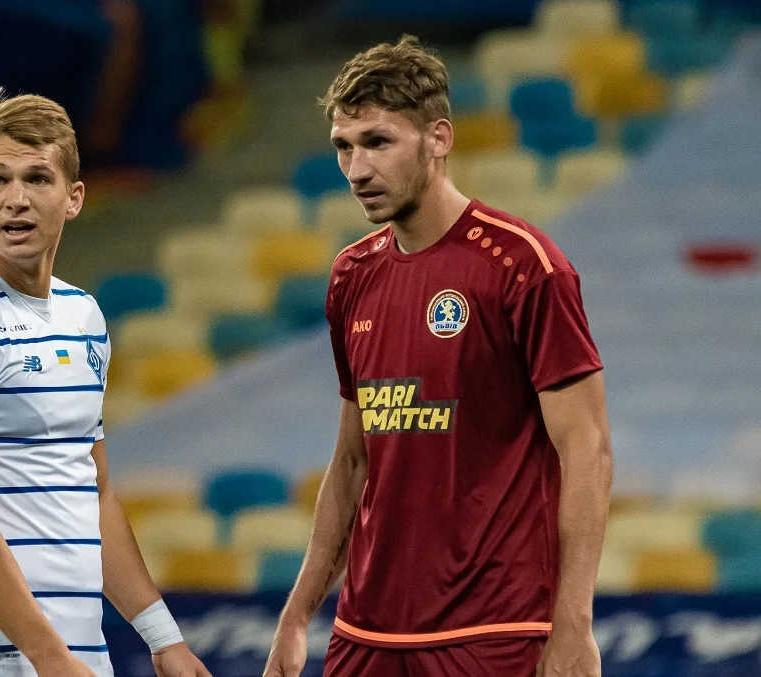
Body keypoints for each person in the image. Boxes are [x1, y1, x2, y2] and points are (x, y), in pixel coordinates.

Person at [263, 36, 613, 677]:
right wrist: (295, 618)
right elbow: (353, 460)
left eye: (377, 142)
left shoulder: (524, 266)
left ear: (439, 139)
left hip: (494, 631)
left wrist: (573, 626)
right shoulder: (351, 276)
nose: (356, 169)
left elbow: (586, 451)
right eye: (344, 146)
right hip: (366, 634)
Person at [0, 89, 212, 677]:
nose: (16, 199)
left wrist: (163, 639)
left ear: (74, 198)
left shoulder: (83, 317)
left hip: (77, 658)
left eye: (37, 178)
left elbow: (95, 490)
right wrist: (49, 657)